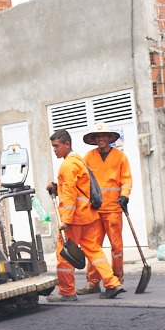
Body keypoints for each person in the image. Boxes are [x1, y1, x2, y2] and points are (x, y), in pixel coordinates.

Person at [46, 130, 126, 303]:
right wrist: (56, 188)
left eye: (56, 146)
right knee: (94, 250)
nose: (55, 150)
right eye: (53, 147)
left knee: (64, 254)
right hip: (88, 215)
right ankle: (112, 283)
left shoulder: (67, 165)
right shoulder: (79, 161)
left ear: (67, 144)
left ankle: (67, 291)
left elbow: (69, 195)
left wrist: (65, 220)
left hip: (74, 219)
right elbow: (77, 188)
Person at [78, 123, 133, 295]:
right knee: (94, 246)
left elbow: (126, 180)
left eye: (104, 136)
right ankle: (93, 282)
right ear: (94, 140)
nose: (101, 139)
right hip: (95, 210)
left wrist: (124, 195)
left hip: (114, 208)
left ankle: (117, 280)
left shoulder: (120, 157)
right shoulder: (88, 157)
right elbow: (81, 180)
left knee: (116, 247)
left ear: (109, 138)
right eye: (98, 136)